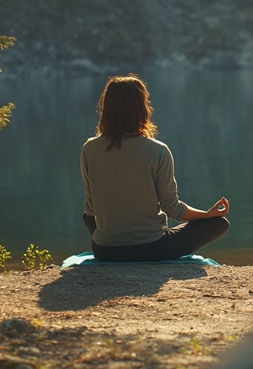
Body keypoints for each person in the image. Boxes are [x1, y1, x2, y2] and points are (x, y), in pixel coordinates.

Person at [80, 75, 230, 261]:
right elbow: (173, 209)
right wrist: (207, 215)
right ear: (142, 108)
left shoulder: (89, 148)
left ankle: (113, 242)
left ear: (107, 108)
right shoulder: (158, 150)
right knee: (219, 224)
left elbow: (91, 210)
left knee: (87, 217)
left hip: (105, 251)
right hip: (152, 249)